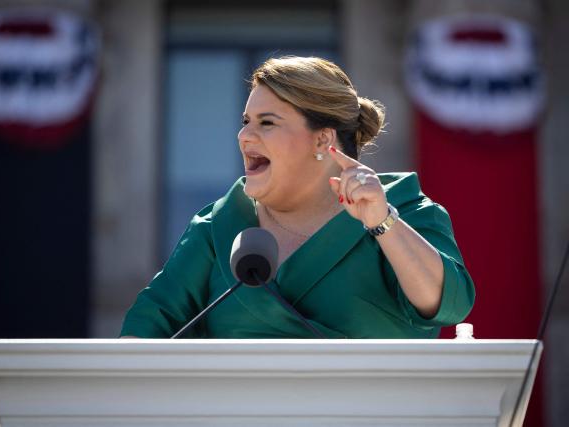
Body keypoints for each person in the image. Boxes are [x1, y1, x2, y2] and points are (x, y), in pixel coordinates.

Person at [121, 56, 474, 339]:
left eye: (266, 123)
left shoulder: (406, 209)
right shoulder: (217, 227)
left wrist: (384, 222)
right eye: (246, 121)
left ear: (322, 141)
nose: (244, 136)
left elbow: (448, 305)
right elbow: (145, 330)